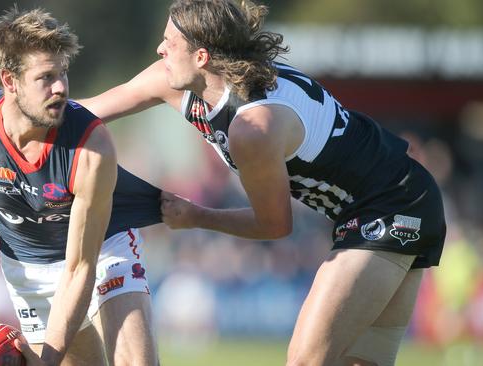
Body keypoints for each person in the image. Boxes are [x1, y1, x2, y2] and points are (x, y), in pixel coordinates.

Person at [77, 1, 447, 365]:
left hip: (394, 206)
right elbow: (85, 113)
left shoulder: (253, 127)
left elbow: (274, 225)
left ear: (202, 56)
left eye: (169, 42)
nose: (160, 49)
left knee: (306, 360)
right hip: (394, 200)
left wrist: (196, 216)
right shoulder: (174, 80)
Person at [0, 8, 160, 366]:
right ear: (9, 80)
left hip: (101, 251)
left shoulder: (92, 147)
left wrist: (48, 361)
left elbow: (80, 267)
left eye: (63, 74)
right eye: (46, 77)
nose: (61, 87)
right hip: (29, 268)